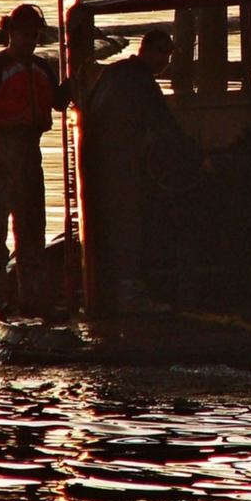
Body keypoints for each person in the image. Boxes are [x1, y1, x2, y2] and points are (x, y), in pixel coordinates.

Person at [0, 3, 71, 315]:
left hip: (30, 152)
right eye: (23, 34)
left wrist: (76, 78)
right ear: (11, 33)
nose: (29, 40)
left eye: (34, 35)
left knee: (32, 228)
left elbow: (59, 102)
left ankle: (32, 298)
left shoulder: (41, 67)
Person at [86, 28, 197, 314]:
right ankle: (130, 292)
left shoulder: (112, 73)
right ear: (146, 50)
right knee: (129, 225)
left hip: (101, 165)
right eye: (162, 54)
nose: (165, 61)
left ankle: (116, 287)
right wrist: (197, 157)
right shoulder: (141, 82)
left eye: (169, 55)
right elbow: (165, 126)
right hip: (122, 166)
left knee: (114, 225)